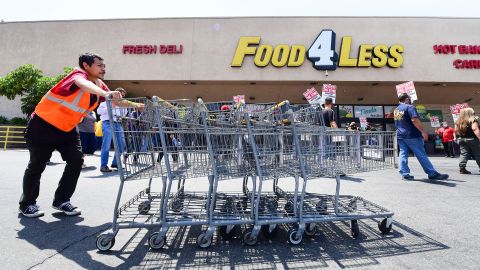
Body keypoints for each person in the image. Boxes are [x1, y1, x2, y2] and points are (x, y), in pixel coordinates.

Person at [19, 53, 122, 218]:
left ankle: (61, 200)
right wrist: (106, 94)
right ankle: (27, 204)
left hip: (67, 129)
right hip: (43, 125)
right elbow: (82, 84)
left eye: (104, 65)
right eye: (99, 65)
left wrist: (137, 105)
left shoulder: (99, 85)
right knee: (37, 164)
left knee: (76, 160)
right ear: (86, 65)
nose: (104, 68)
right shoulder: (77, 75)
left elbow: (114, 100)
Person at [393, 93, 448, 180]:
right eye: (409, 98)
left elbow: (399, 122)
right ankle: (432, 173)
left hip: (401, 135)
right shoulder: (410, 107)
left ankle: (405, 173)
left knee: (403, 153)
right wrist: (423, 132)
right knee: (421, 154)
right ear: (407, 99)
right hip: (412, 135)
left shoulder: (396, 110)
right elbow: (414, 120)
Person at [97, 88, 128, 173]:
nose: (121, 97)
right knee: (106, 145)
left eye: (122, 96)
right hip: (107, 123)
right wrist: (111, 107)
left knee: (122, 144)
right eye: (119, 95)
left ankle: (115, 163)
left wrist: (121, 106)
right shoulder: (104, 103)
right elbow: (99, 112)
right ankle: (103, 166)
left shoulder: (122, 104)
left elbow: (124, 114)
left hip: (118, 123)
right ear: (114, 94)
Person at [454, 108, 480, 174]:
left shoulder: (458, 121)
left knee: (464, 154)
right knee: (478, 154)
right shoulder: (473, 120)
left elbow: (455, 130)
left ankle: (462, 168)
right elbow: (475, 129)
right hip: (472, 139)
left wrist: (457, 137)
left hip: (461, 139)